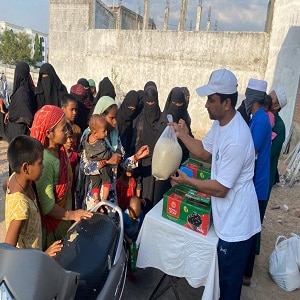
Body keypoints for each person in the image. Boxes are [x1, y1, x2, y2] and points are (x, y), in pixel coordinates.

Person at [170, 69, 261, 300]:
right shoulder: (221, 125)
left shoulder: (237, 139)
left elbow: (221, 189)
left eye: (211, 100)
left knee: (228, 287)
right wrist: (181, 134)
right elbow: (203, 151)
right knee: (220, 282)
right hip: (226, 217)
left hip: (236, 224)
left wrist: (188, 180)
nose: (206, 105)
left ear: (227, 103)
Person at [30, 105, 92, 250]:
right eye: (63, 129)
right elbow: (47, 207)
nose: (67, 132)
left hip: (64, 220)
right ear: (48, 133)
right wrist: (72, 214)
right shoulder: (45, 162)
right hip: (53, 228)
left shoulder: (61, 150)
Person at [79, 96, 149, 211]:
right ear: (100, 116)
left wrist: (136, 157)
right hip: (94, 198)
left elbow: (123, 163)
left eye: (116, 117)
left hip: (110, 198)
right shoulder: (90, 138)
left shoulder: (115, 137)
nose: (115, 122)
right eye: (111, 118)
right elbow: (84, 168)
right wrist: (106, 161)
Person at [5, 135, 63, 257]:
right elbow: (8, 250)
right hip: (30, 265)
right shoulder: (21, 206)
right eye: (40, 163)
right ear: (26, 168)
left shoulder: (13, 179)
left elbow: (5, 186)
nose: (43, 166)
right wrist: (45, 255)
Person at [242, 78, 271, 286]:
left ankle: (247, 274)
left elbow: (251, 153)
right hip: (254, 182)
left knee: (250, 231)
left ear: (252, 97)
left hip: (256, 185)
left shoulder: (260, 121)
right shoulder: (257, 117)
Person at [133, 83, 162, 209]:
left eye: (153, 102)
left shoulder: (162, 120)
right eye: (148, 102)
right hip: (143, 163)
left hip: (158, 162)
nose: (150, 105)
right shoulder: (139, 121)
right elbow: (135, 143)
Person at [82, 114, 113, 204]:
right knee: (107, 179)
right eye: (104, 131)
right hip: (103, 167)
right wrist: (110, 157)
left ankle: (96, 200)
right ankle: (104, 199)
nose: (106, 132)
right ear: (95, 133)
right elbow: (106, 155)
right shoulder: (101, 144)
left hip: (93, 172)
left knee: (95, 183)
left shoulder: (86, 140)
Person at [5, 62, 36, 145]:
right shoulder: (23, 91)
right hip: (20, 131)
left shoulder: (22, 90)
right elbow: (25, 113)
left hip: (14, 130)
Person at [268, 88, 287, 193]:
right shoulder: (262, 116)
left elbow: (268, 152)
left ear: (276, 106)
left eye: (270, 98)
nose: (266, 99)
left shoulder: (279, 127)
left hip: (265, 175)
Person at [117, 90, 140, 156]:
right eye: (129, 108)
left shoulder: (132, 119)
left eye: (133, 109)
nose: (131, 112)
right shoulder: (117, 118)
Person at [63, 123, 79, 210]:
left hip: (72, 192)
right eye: (66, 138)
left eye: (71, 137)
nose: (69, 141)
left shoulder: (75, 156)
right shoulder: (58, 157)